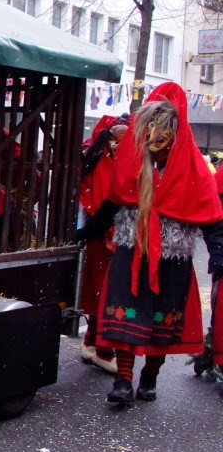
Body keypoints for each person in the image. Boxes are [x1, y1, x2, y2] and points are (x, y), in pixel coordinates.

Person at [79, 83, 223, 406]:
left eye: (161, 140)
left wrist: (218, 253)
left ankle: (150, 376)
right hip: (132, 250)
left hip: (171, 258)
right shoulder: (132, 163)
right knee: (124, 316)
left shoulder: (193, 169)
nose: (155, 147)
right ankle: (124, 380)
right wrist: (89, 231)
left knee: (162, 321)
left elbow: (212, 218)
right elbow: (113, 202)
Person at [77, 114, 128, 374]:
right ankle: (102, 348)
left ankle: (92, 342)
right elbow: (102, 195)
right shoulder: (101, 159)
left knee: (105, 290)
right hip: (104, 234)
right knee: (104, 290)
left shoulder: (115, 158)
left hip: (113, 231)